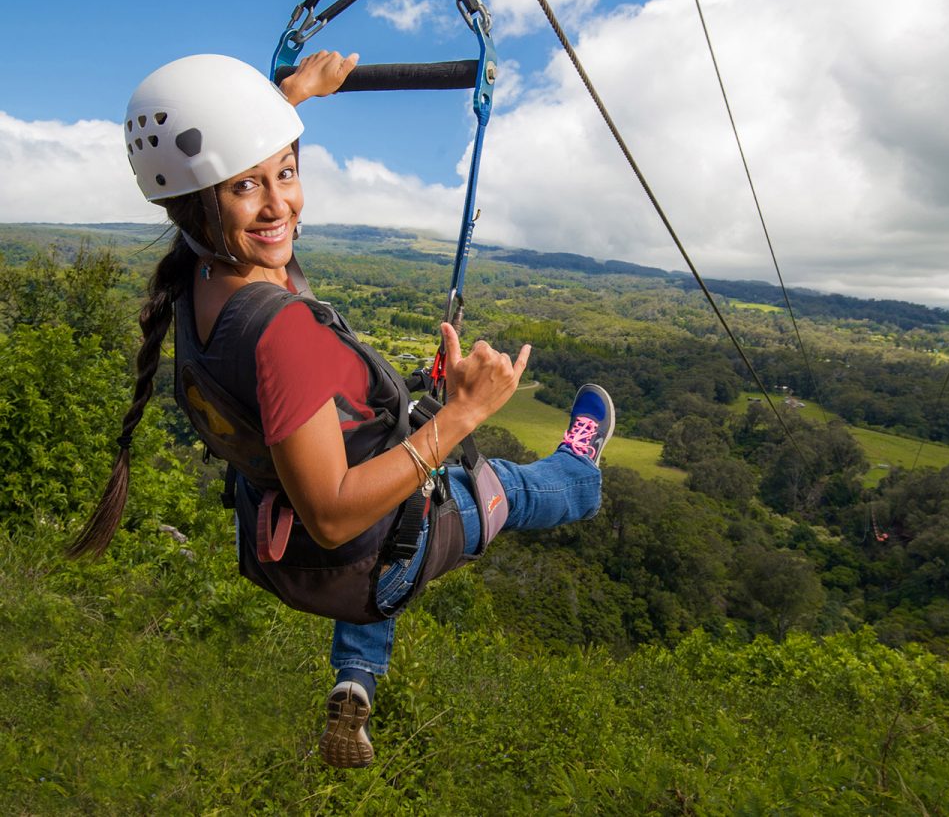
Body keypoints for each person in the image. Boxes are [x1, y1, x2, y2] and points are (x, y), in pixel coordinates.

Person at [69, 50, 615, 769]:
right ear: (199, 202)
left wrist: (288, 97)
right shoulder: (281, 334)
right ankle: (580, 472)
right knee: (501, 485)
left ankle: (355, 675)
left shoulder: (200, 284)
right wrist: (464, 414)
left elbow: (242, 193)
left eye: (286, 173)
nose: (279, 205)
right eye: (246, 187)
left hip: (294, 557)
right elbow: (331, 510)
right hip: (357, 547)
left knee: (386, 484)